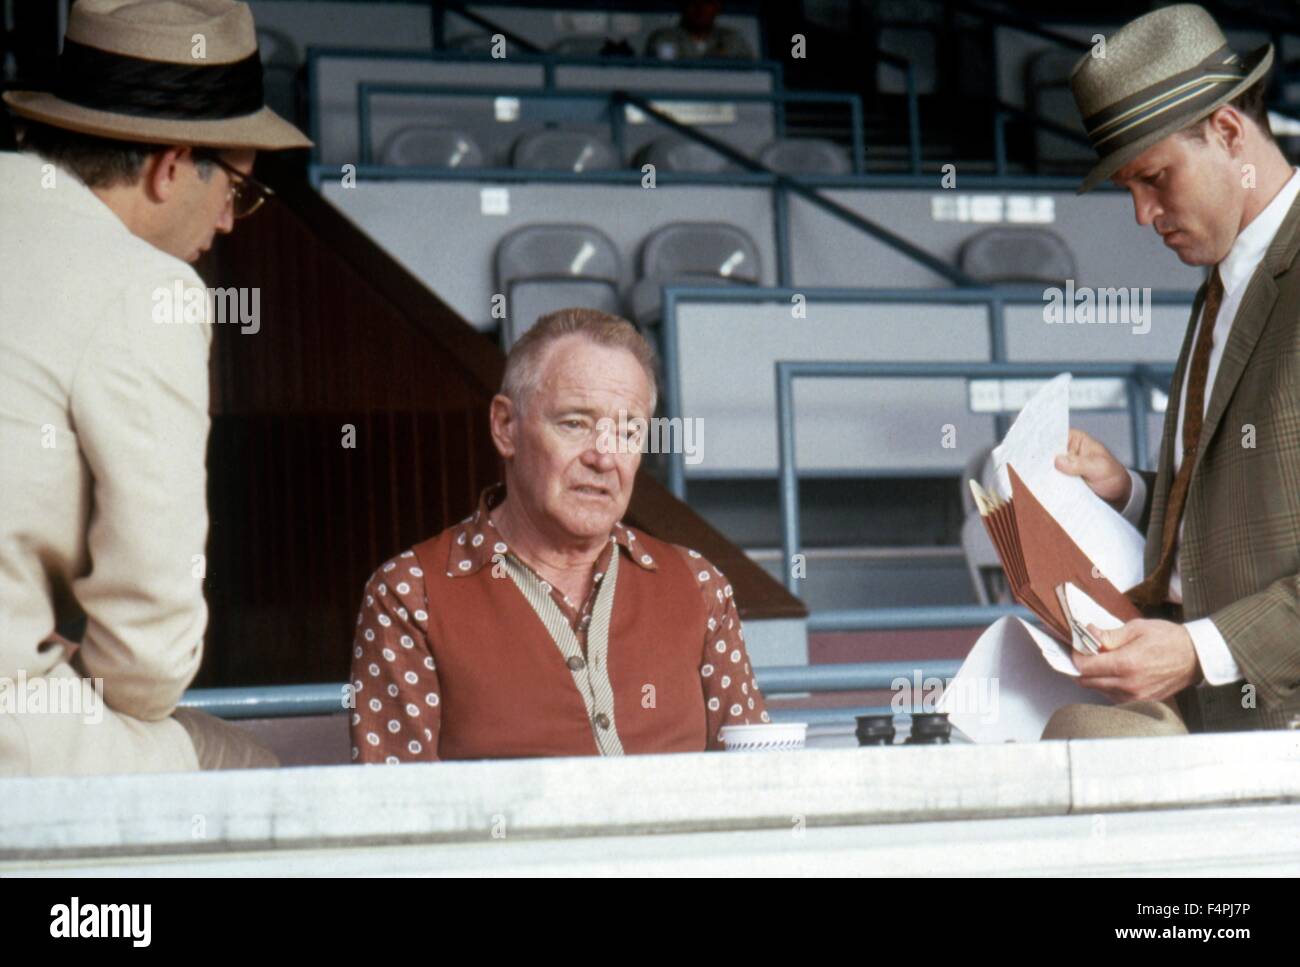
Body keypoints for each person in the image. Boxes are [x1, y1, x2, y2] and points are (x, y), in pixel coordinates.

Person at [0, 0, 311, 775]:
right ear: (171, 165)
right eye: (239, 189)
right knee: (253, 773)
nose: (231, 223)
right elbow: (147, 662)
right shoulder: (149, 291)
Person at [349, 309, 769, 762]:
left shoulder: (699, 585)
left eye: (628, 431)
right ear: (505, 427)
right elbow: (397, 813)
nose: (605, 458)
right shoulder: (411, 595)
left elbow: (757, 779)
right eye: (575, 423)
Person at [1044, 4, 1300, 738]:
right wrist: (1130, 494)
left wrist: (1198, 648)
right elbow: (1250, 505)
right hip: (1214, 715)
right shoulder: (1225, 280)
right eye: (1128, 187)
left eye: (1154, 177)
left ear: (1226, 132)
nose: (1141, 213)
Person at [644, 1, 754, 61]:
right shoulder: (663, 38)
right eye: (694, 1)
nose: (701, 8)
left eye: (708, 2)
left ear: (718, 7)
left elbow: (754, 77)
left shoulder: (733, 41)